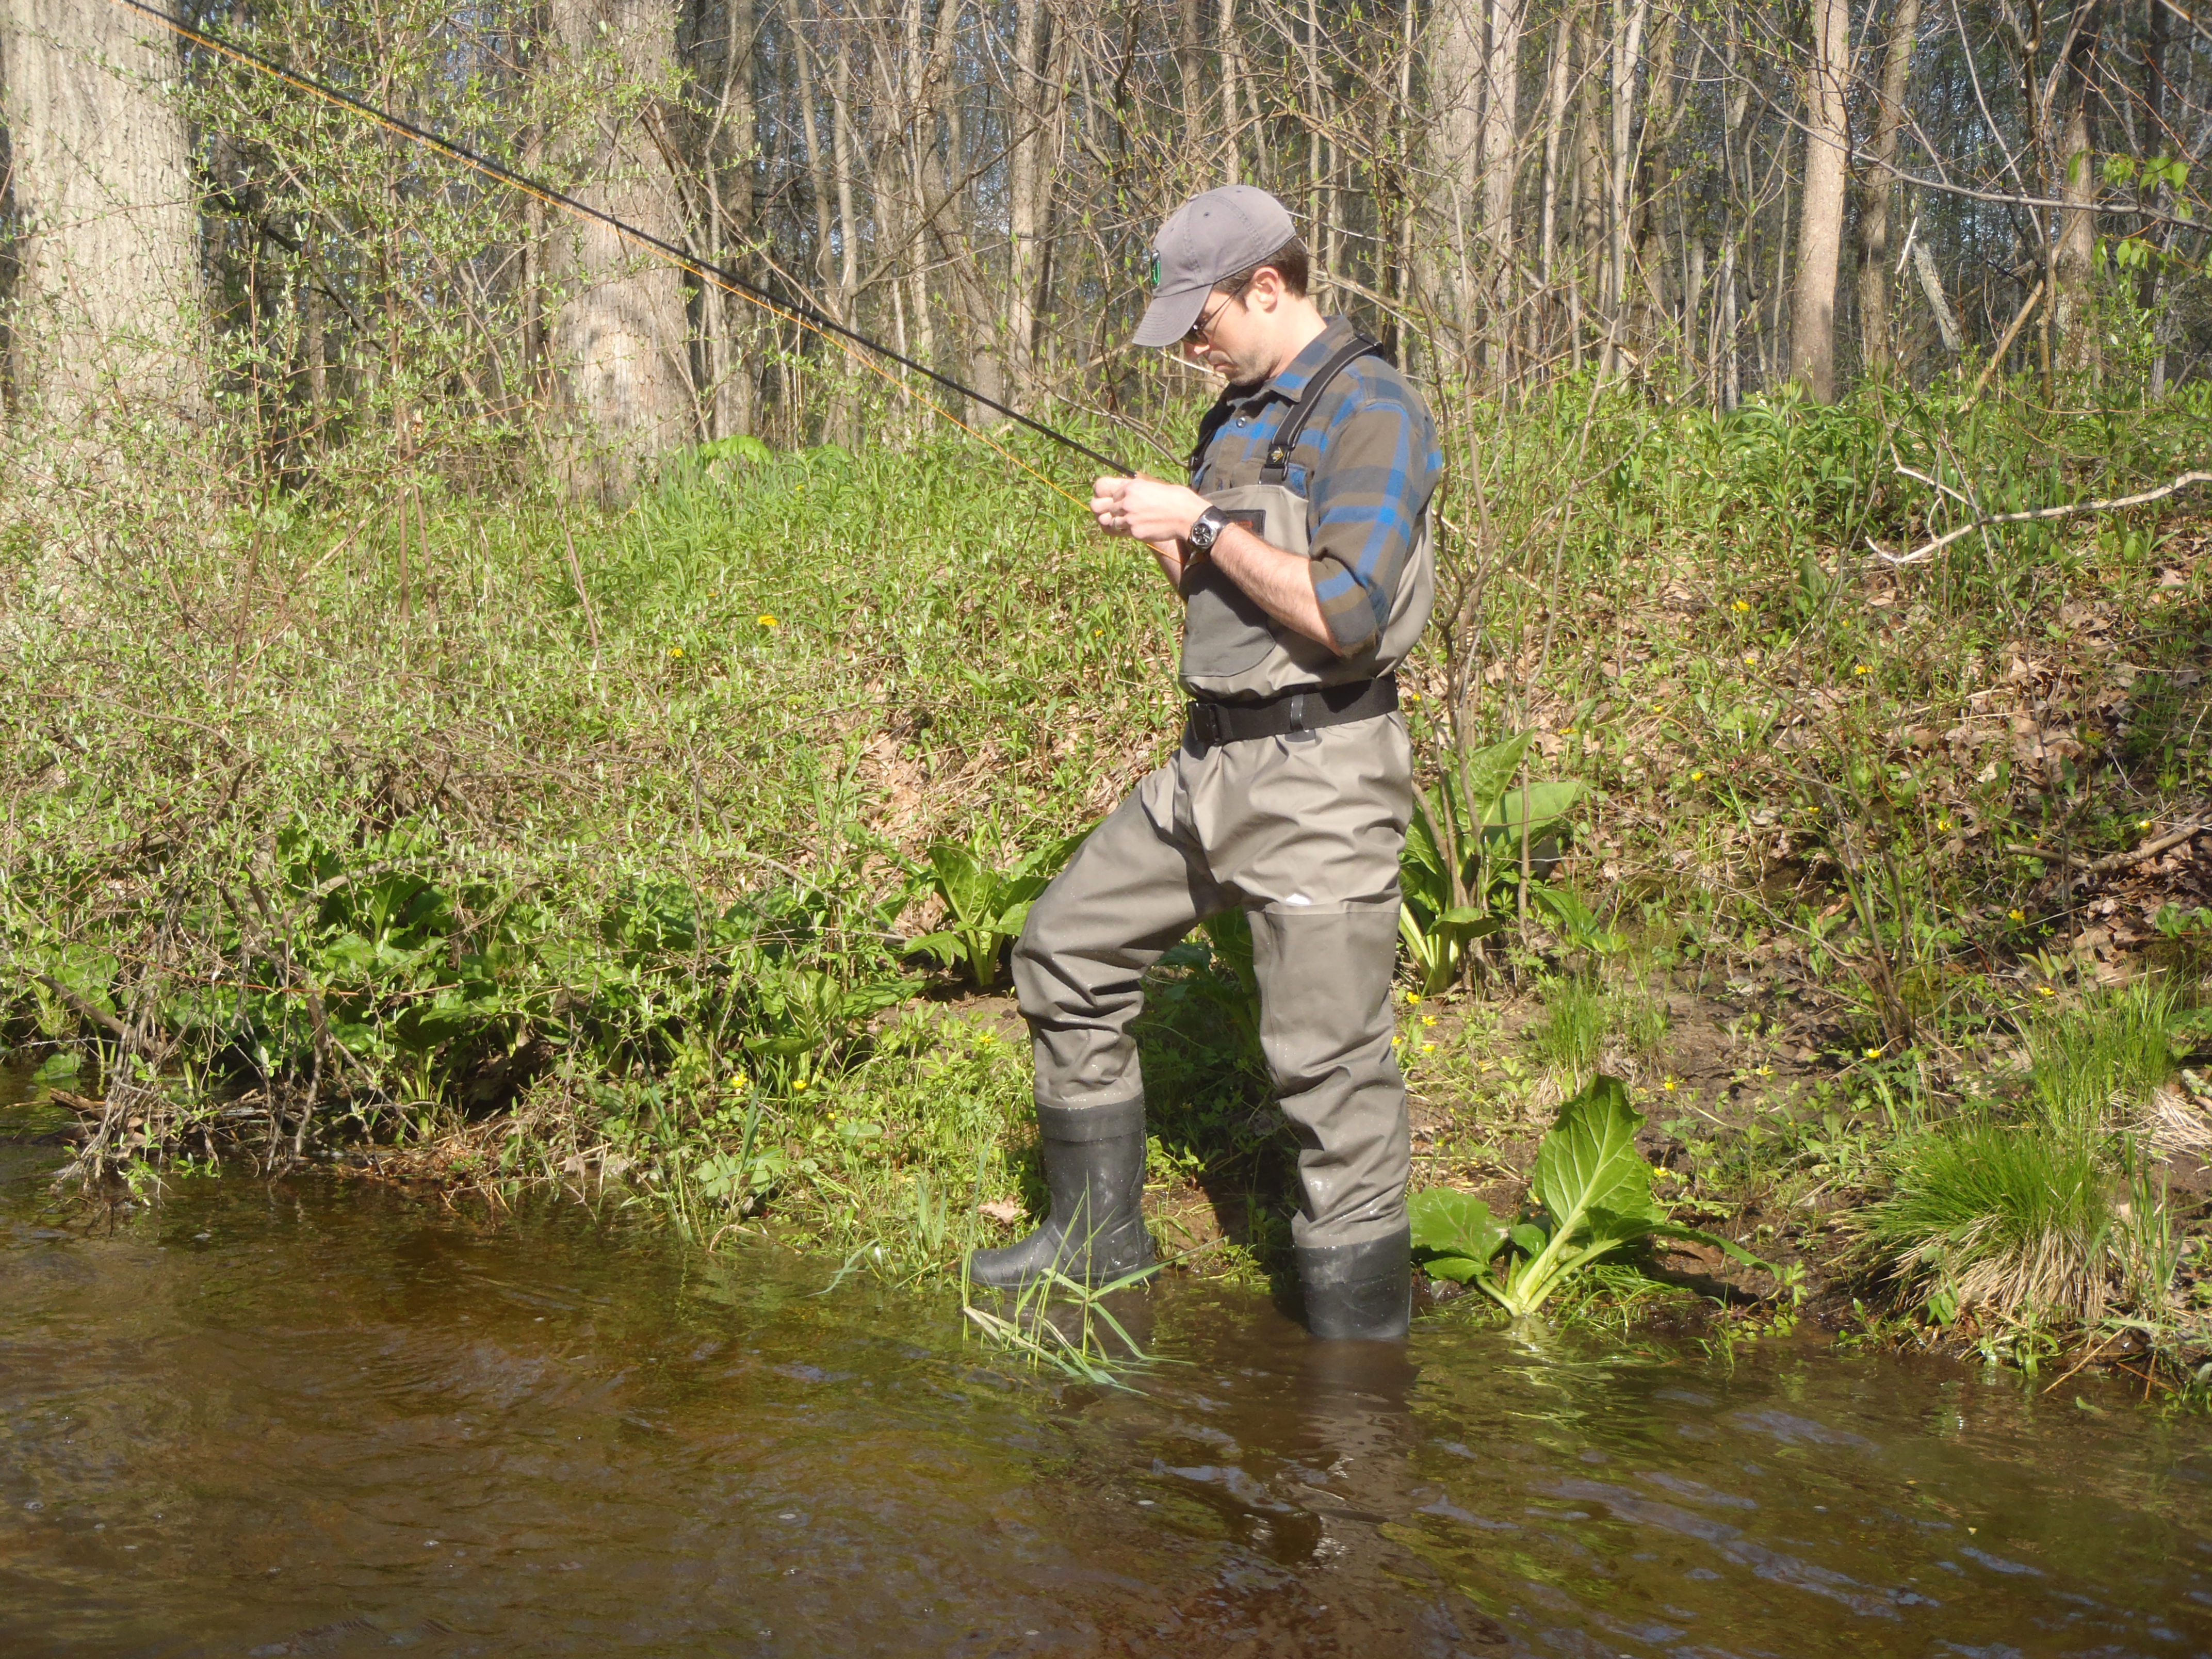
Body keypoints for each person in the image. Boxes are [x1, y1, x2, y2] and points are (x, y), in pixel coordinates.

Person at [967, 184, 1442, 1343]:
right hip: (1207, 765)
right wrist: (1162, 533)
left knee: (1324, 1073)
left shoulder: (1374, 408)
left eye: (1201, 319)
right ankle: (1100, 1243)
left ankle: (1359, 1357)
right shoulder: (1231, 419)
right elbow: (1226, 603)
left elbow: (1342, 613)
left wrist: (1203, 524)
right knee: (1063, 950)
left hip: (1320, 770)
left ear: (1266, 288)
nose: (1188, 344)